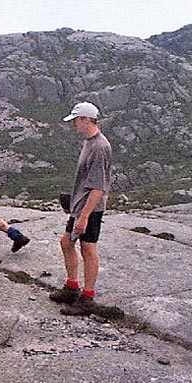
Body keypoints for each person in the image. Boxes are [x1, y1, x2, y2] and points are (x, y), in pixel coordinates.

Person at [49, 102, 112, 316]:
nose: (74, 125)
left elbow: (98, 187)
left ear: (86, 119)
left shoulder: (99, 147)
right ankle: (72, 287)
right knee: (66, 243)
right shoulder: (89, 143)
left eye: (76, 120)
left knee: (88, 249)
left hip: (90, 209)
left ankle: (87, 297)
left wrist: (84, 215)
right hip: (80, 207)